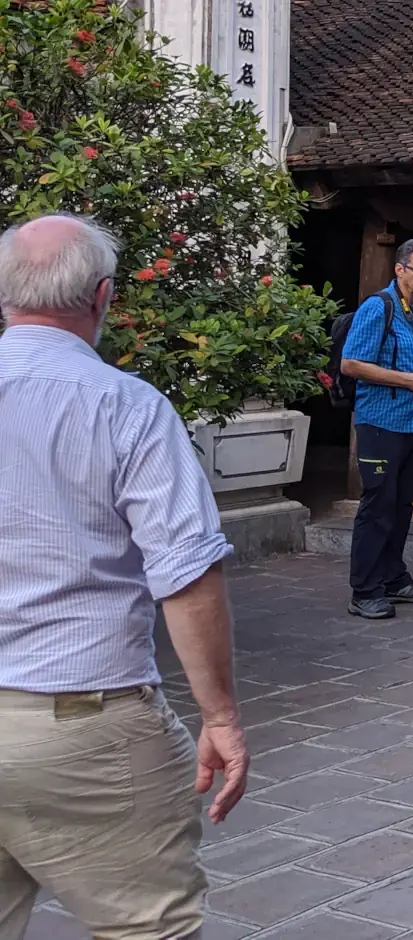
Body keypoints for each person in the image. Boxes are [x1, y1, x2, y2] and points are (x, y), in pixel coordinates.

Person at [0, 214, 249, 936]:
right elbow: (188, 576)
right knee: (148, 927)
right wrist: (221, 716)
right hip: (83, 721)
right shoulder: (126, 407)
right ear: (104, 297)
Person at [341, 238, 413, 620]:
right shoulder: (378, 307)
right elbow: (352, 364)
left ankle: (394, 578)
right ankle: (364, 590)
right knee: (377, 504)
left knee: (402, 504)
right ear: (399, 269)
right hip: (381, 421)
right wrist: (410, 381)